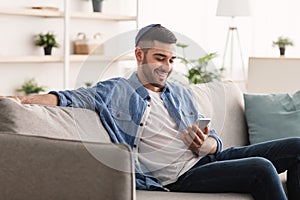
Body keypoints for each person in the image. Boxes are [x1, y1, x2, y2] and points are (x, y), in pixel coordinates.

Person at [3, 24, 300, 200]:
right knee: (261, 167)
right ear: (138, 55)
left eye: (171, 59)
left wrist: (209, 144)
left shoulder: (180, 92)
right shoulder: (114, 91)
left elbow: (212, 139)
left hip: (209, 157)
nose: (166, 66)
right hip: (181, 177)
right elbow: (63, 97)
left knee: (298, 146)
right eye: (160, 58)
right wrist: (17, 100)